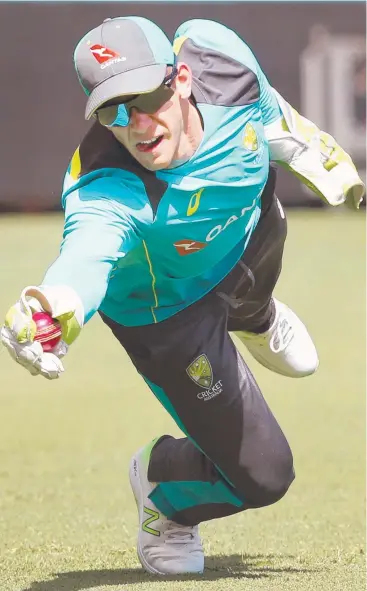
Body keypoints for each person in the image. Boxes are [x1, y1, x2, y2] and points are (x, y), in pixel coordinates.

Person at [1, 17, 364, 576]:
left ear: (183, 78)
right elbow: (82, 262)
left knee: (260, 201)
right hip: (169, 315)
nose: (136, 123)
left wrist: (308, 145)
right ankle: (162, 490)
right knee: (264, 477)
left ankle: (254, 314)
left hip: (243, 237)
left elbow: (268, 110)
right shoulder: (108, 188)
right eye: (111, 109)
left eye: (146, 95)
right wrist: (54, 312)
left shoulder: (220, 54)